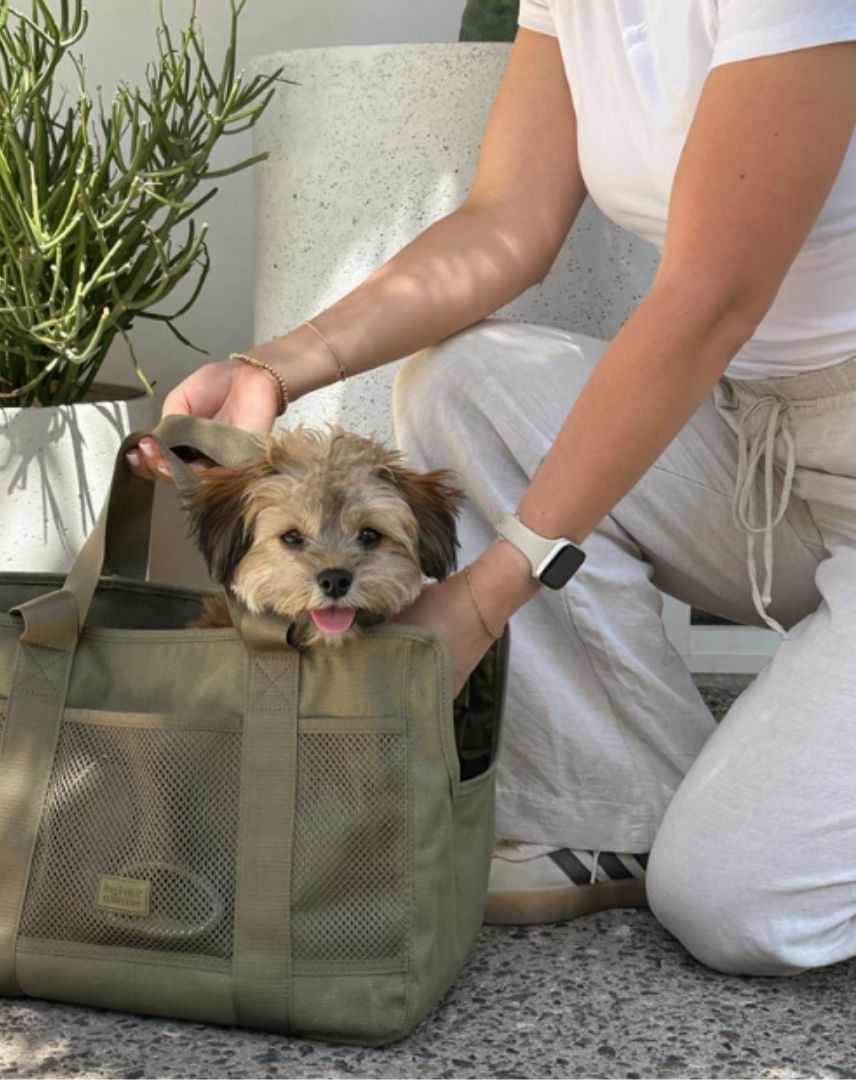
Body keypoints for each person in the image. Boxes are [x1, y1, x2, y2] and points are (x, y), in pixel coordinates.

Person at [128, 2, 856, 977]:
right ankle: (622, 809)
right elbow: (507, 219)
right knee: (465, 384)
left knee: (738, 904)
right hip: (767, 441)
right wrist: (272, 369)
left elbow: (710, 297)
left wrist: (488, 588)